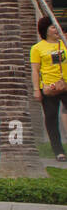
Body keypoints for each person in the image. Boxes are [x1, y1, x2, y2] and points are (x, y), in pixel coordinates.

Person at [31, 15, 67, 162]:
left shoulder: (64, 43)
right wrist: (36, 90)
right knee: (51, 118)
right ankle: (58, 151)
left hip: (65, 84)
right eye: (53, 27)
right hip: (48, 88)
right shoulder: (37, 48)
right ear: (45, 30)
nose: (56, 30)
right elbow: (35, 70)